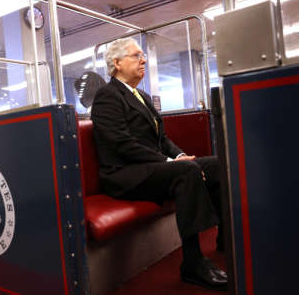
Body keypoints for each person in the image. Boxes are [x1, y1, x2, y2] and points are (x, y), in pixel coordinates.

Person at [91, 37, 227, 291]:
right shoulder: (106, 96)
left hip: (149, 168)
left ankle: (225, 240)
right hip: (123, 174)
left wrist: (178, 156)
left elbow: (161, 139)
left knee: (217, 165)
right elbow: (122, 144)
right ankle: (193, 263)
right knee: (187, 172)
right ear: (117, 63)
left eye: (142, 56)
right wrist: (171, 162)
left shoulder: (141, 95)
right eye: (136, 56)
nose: (143, 60)